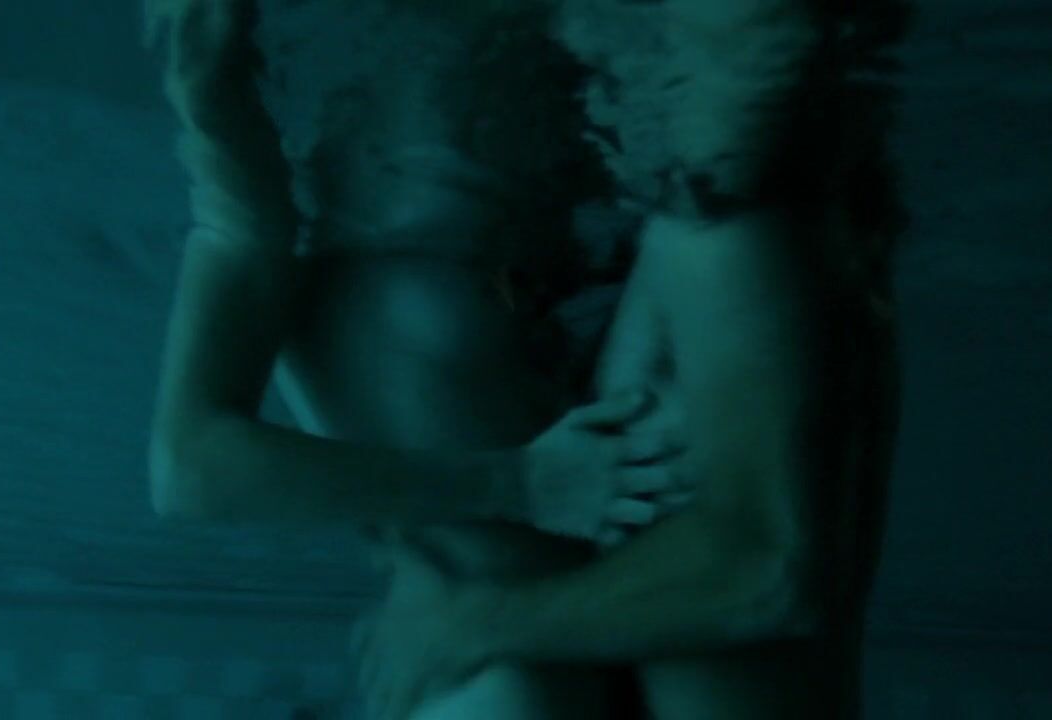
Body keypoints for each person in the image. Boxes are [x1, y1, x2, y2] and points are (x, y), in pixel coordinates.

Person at [351, 0, 913, 719]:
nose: (581, 52)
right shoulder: (731, 237)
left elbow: (767, 577)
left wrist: (472, 625)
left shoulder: (731, 241)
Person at [145, 0, 692, 717]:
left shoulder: (327, 210)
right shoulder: (280, 191)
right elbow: (193, 469)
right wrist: (520, 483)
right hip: (509, 656)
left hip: (553, 640)